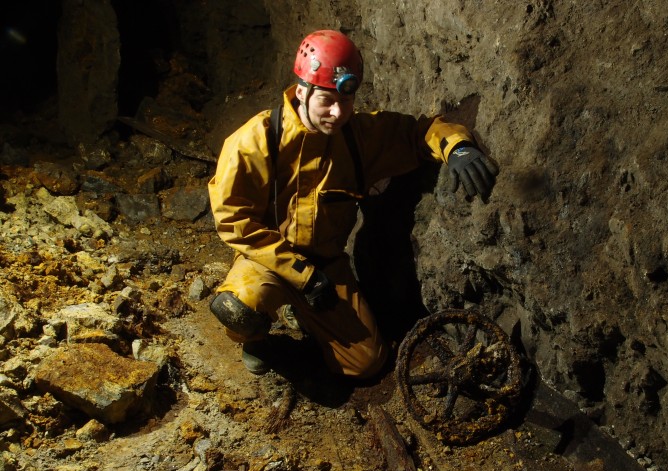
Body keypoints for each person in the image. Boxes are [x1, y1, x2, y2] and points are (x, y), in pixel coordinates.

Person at [208, 29, 498, 378]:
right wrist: (302, 276)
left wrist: (456, 146)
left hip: (328, 267)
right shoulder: (255, 141)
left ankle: (305, 318)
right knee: (237, 307)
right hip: (269, 260)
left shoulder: (358, 137)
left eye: (345, 101)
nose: (337, 112)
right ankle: (255, 337)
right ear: (301, 92)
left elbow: (419, 132)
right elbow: (233, 221)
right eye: (326, 101)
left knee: (367, 364)